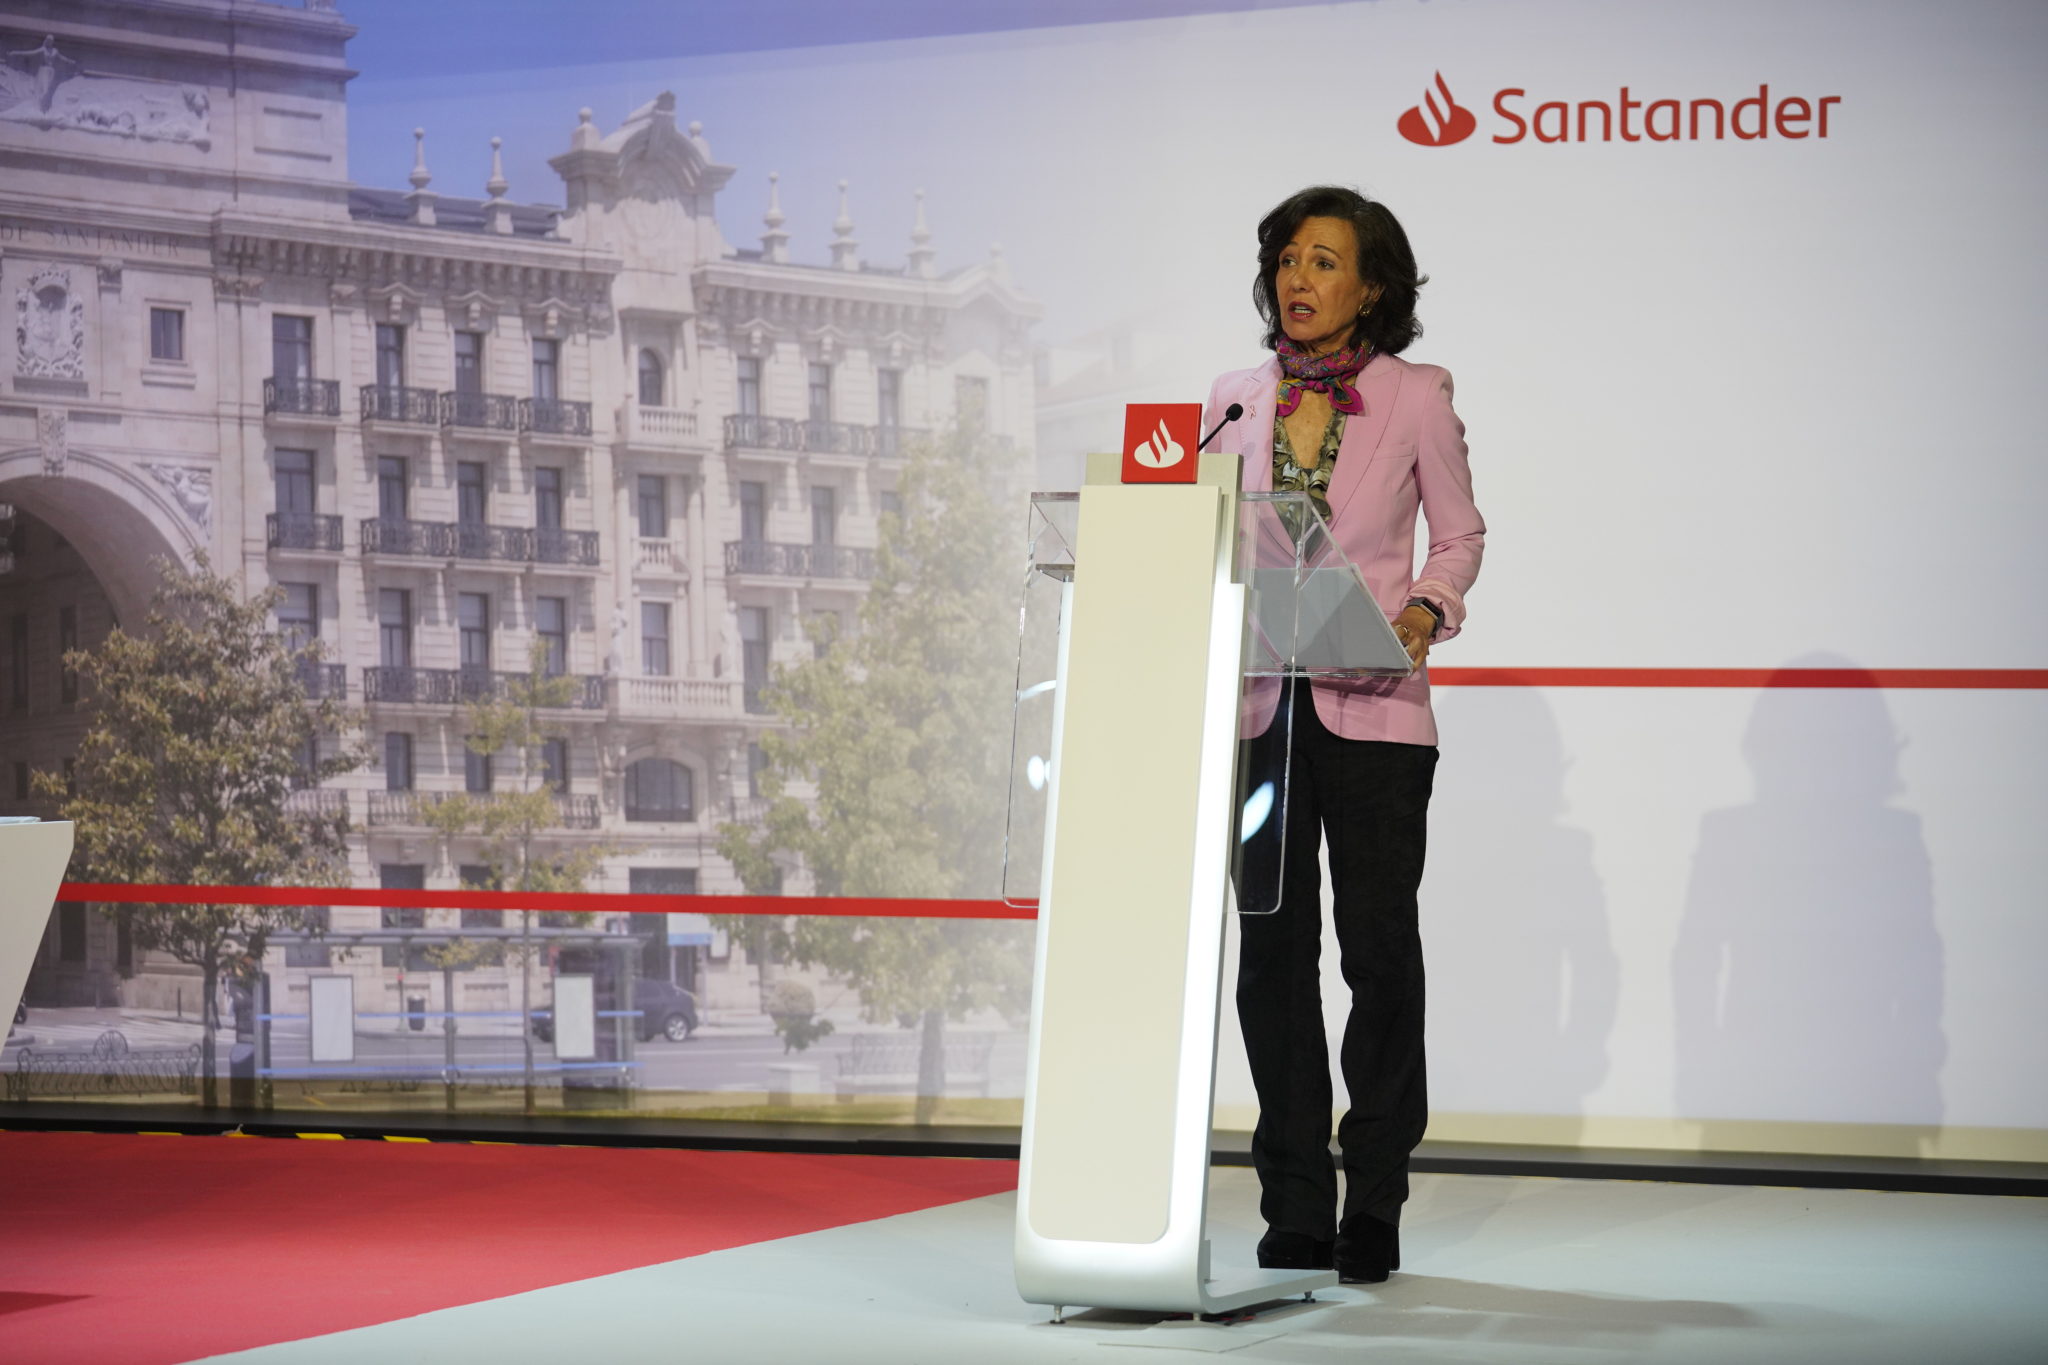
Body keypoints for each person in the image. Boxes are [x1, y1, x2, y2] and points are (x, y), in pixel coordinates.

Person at [1202, 184, 1485, 1284]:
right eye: (1285, 258)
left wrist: (1423, 610)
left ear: (1372, 286)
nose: (1297, 279)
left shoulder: (1414, 395)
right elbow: (1198, 531)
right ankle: (1290, 1201)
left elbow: (1456, 535)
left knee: (1374, 957)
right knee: (1271, 964)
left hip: (1370, 710)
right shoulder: (1230, 399)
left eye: (1324, 262)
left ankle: (1372, 1200)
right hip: (1258, 713)